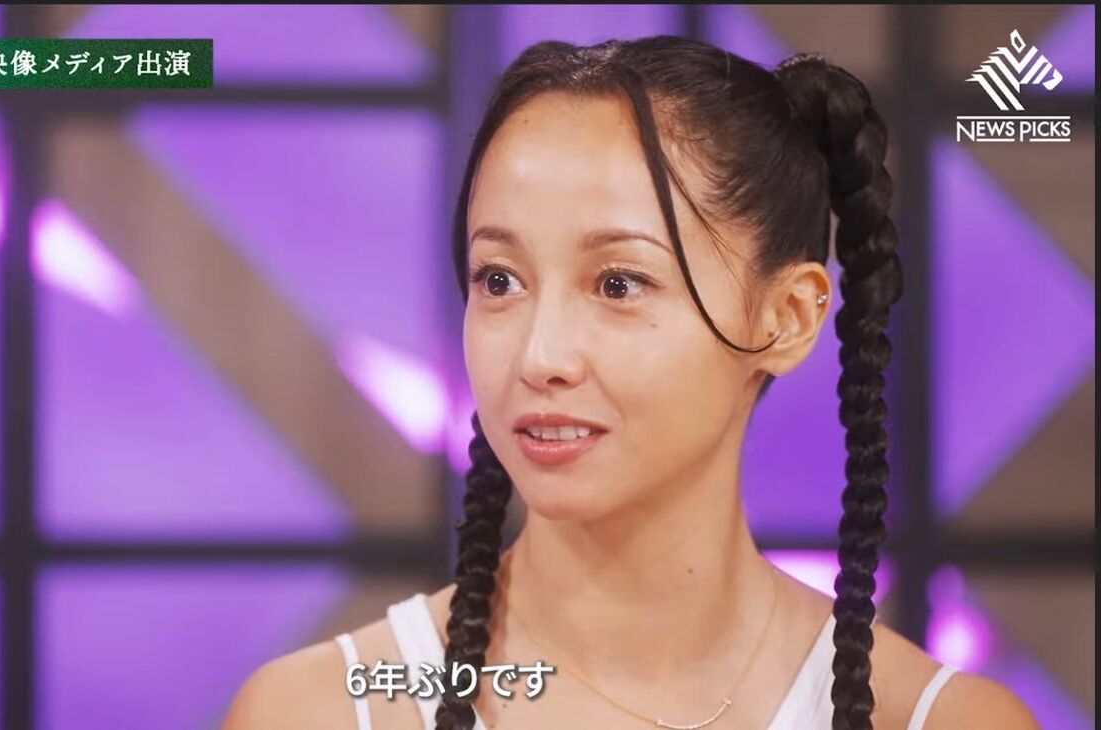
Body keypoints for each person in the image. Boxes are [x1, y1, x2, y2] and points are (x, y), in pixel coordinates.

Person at [223, 35, 1039, 730]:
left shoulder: (942, 719)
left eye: (618, 284)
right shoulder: (318, 710)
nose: (540, 355)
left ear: (787, 317)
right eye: (499, 280)